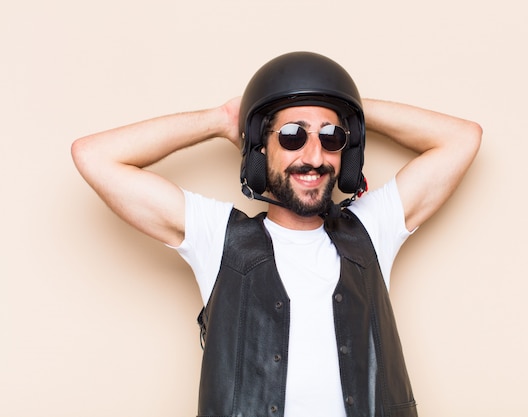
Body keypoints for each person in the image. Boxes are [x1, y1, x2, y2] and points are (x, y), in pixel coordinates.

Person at [71, 51, 482, 417]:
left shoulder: (373, 229)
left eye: (331, 137)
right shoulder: (218, 238)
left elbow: (462, 138)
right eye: (291, 135)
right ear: (260, 148)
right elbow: (94, 156)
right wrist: (224, 120)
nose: (314, 156)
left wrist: (345, 101)